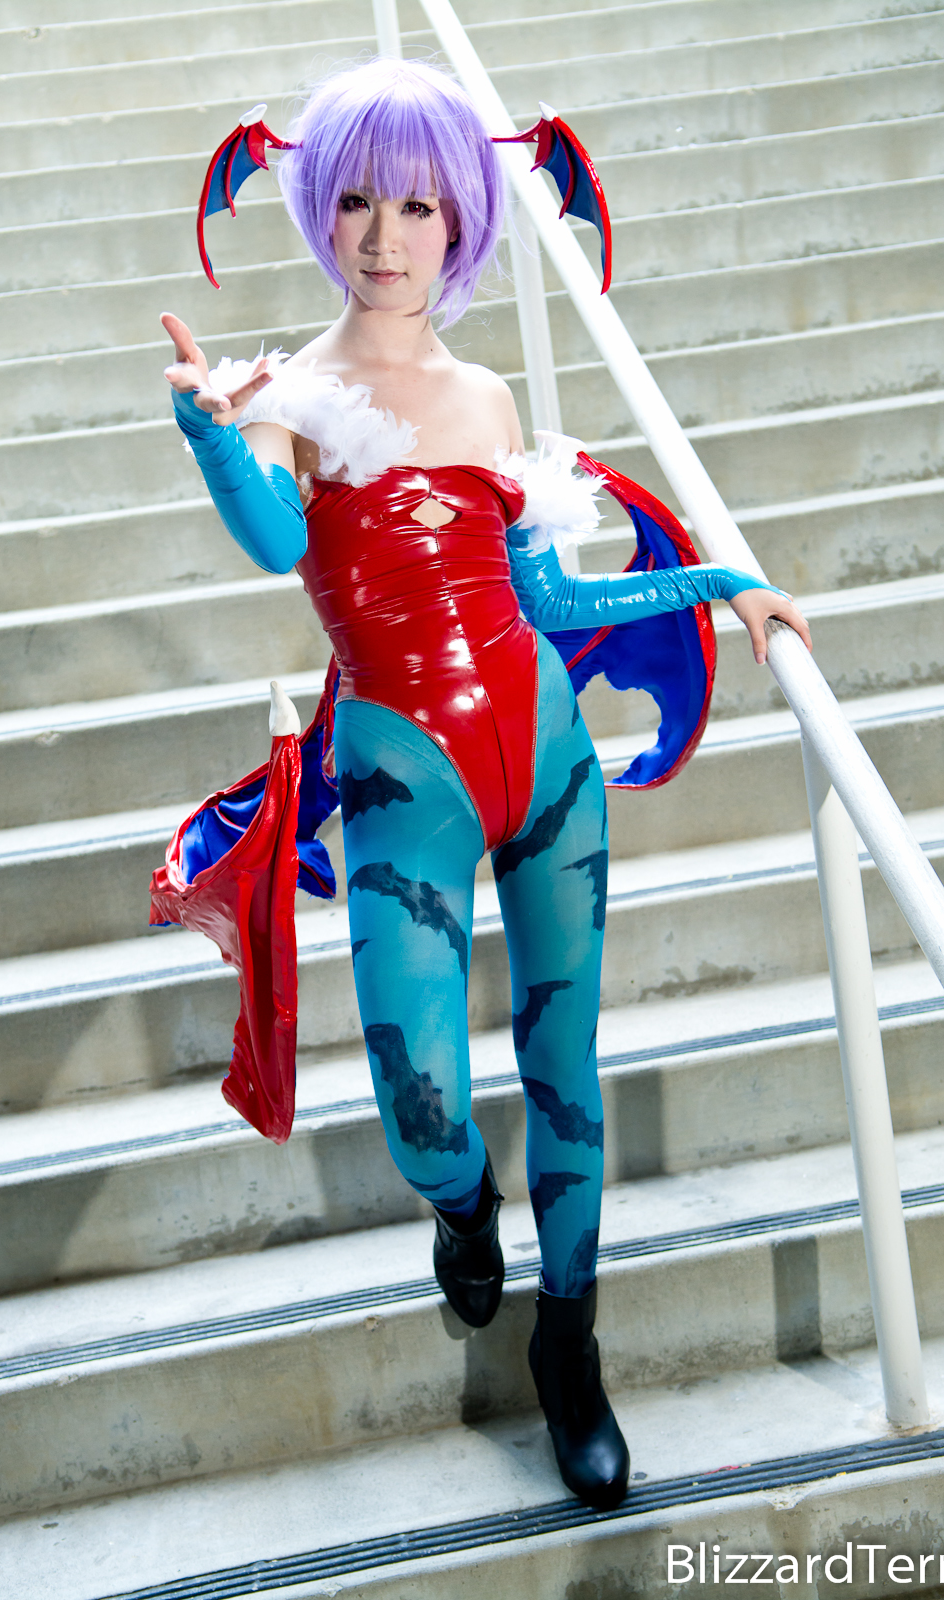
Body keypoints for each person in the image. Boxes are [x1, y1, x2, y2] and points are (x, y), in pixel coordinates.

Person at [161, 56, 812, 1510]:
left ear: (461, 217)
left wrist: (721, 582)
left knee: (567, 1067)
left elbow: (551, 601)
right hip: (406, 777)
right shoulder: (292, 394)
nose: (385, 235)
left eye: (418, 205)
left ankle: (570, 1344)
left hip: (550, 765)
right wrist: (210, 432)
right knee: (420, 1101)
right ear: (320, 210)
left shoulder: (488, 393)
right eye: (357, 201)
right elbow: (277, 541)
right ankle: (465, 1212)